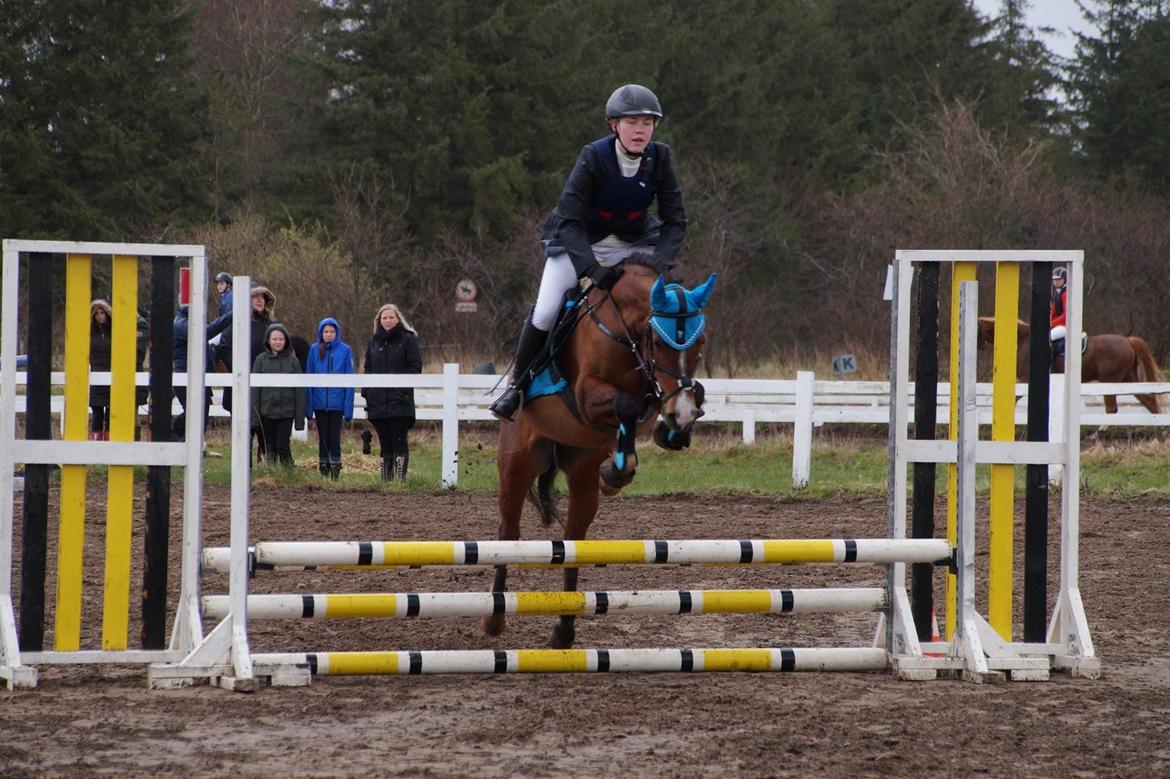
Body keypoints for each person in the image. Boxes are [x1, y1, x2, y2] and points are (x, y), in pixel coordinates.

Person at [489, 84, 687, 421]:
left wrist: (660, 262)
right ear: (614, 124)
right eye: (632, 122)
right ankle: (517, 387)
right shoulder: (594, 156)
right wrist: (591, 269)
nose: (640, 130)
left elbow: (676, 220)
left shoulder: (660, 157)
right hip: (581, 240)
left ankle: (674, 392)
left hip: (632, 242)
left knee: (668, 303)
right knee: (546, 310)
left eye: (647, 123)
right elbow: (569, 219)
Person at [362, 304, 422, 482]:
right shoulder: (373, 342)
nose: (388, 320)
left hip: (400, 400)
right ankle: (385, 480)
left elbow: (415, 367)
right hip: (378, 401)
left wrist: (403, 390)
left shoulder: (408, 339)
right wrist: (368, 394)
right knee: (384, 442)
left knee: (399, 441)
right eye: (384, 318)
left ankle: (400, 480)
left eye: (391, 317)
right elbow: (367, 370)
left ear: (398, 319)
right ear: (379, 321)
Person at [172, 298, 232, 440]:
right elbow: (204, 333)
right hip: (188, 378)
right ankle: (178, 441)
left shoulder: (189, 322)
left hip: (198, 379)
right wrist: (232, 315)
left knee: (198, 418)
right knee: (196, 418)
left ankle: (182, 441)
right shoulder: (181, 323)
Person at [251, 323, 306, 466]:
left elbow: (300, 391)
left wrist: (300, 419)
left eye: (281, 339)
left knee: (283, 445)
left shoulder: (293, 361)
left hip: (286, 413)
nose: (278, 342)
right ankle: (269, 473)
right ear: (268, 340)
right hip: (266, 412)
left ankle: (288, 473)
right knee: (268, 446)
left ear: (286, 340)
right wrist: (255, 416)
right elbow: (255, 390)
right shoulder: (260, 360)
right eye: (274, 339)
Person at [306, 317, 355, 480]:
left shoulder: (345, 350)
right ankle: (323, 470)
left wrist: (348, 409)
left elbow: (349, 380)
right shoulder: (314, 350)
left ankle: (335, 471)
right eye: (326, 331)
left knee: (335, 437)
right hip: (319, 402)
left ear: (337, 333)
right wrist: (309, 407)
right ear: (321, 333)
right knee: (322, 438)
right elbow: (309, 377)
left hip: (337, 403)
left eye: (332, 331)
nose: (329, 334)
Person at [216, 285, 275, 413]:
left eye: (262, 297)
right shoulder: (237, 323)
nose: (259, 300)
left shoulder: (272, 326)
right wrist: (240, 369)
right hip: (240, 384)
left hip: (265, 387)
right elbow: (225, 347)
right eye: (255, 296)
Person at [89, 300, 113, 440]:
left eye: (102, 313)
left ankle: (109, 439)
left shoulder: (113, 331)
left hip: (111, 373)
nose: (100, 316)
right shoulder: (90, 331)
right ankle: (96, 441)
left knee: (111, 411)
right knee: (97, 411)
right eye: (97, 313)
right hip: (96, 374)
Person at [1050, 266, 1068, 359]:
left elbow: (1066, 315)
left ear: (1065, 279)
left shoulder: (1065, 294)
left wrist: (1052, 323)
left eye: (1059, 279)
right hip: (1059, 325)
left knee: (1048, 337)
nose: (1056, 282)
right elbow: (1053, 312)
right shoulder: (1058, 292)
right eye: (1055, 280)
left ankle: (1050, 363)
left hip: (1065, 326)